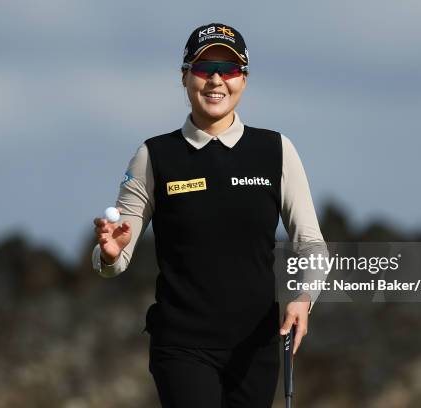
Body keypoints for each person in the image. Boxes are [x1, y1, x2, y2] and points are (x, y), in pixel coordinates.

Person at [92, 22, 325, 408]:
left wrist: (303, 298)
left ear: (244, 80)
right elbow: (111, 260)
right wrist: (110, 254)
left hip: (256, 347)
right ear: (184, 77)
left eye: (229, 69)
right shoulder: (154, 156)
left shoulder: (276, 150)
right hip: (182, 346)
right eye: (204, 68)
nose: (216, 79)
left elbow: (311, 244)